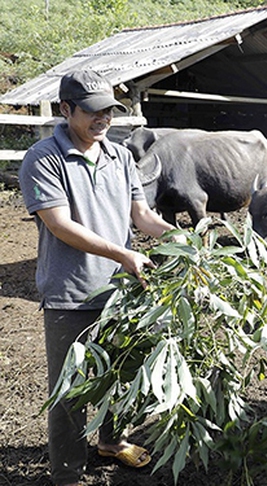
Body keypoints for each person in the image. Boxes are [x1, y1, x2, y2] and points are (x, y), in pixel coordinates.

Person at [19, 69, 183, 486]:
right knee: (70, 390)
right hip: (70, 294)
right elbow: (59, 225)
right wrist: (122, 253)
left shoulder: (121, 156)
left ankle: (112, 441)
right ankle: (68, 473)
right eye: (92, 111)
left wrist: (184, 239)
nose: (102, 119)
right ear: (66, 109)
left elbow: (142, 216)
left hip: (122, 294)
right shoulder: (43, 158)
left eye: (108, 110)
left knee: (123, 372)